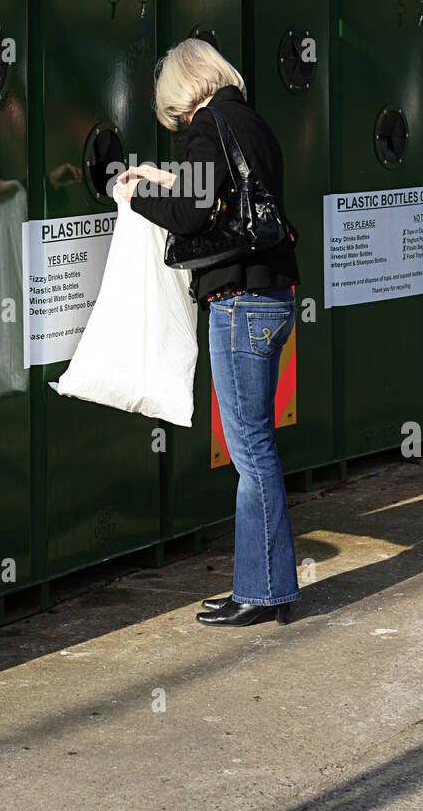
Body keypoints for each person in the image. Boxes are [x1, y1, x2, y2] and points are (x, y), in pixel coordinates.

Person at [117, 38, 300, 627]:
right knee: (256, 446)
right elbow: (218, 198)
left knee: (251, 452)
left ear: (182, 89)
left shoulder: (207, 126)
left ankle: (264, 590)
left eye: (171, 109)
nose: (174, 120)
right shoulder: (251, 122)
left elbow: (191, 216)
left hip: (239, 302)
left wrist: (134, 190)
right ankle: (264, 585)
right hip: (273, 295)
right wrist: (165, 179)